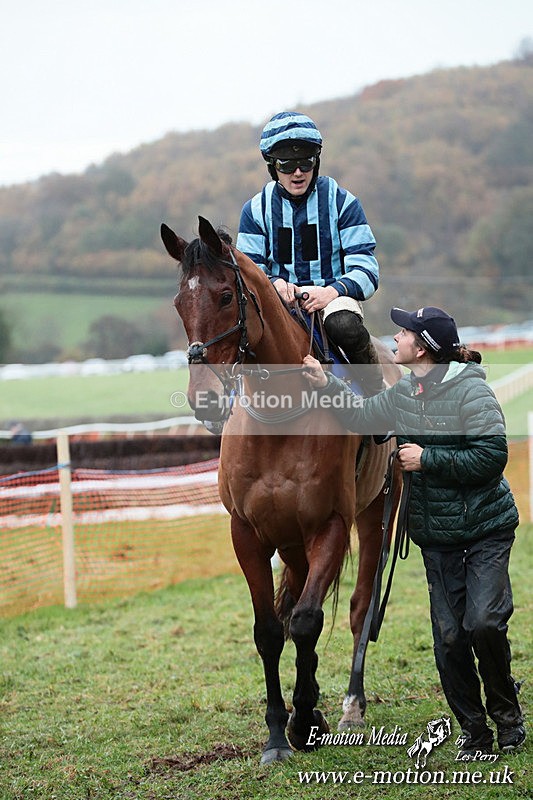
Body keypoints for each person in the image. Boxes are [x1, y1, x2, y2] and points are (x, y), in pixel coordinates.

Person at [302, 305, 525, 756]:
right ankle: (476, 731)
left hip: (485, 530)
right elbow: (364, 417)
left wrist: (428, 459)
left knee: (482, 623)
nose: (396, 339)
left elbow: (491, 458)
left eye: (404, 333)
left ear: (422, 348)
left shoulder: (471, 393)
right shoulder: (403, 392)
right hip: (437, 537)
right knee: (449, 637)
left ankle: (508, 718)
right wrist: (326, 384)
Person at [236, 110, 383, 396]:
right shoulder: (254, 210)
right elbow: (249, 268)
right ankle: (220, 407)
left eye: (305, 162)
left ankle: (377, 396)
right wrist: (275, 284)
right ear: (272, 166)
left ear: (316, 161)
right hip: (277, 301)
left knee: (344, 325)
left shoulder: (343, 202)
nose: (298, 172)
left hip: (332, 300)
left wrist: (331, 292)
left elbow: (366, 268)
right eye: (287, 165)